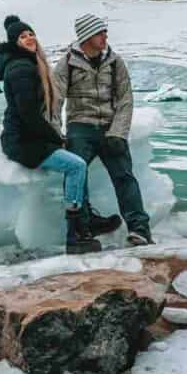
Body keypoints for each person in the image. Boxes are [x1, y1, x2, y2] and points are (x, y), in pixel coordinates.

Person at [0, 14, 102, 255]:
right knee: (76, 166)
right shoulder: (21, 68)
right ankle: (75, 234)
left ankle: (86, 221)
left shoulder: (28, 63)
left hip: (28, 137)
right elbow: (28, 115)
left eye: (31, 34)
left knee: (75, 159)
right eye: (23, 36)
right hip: (22, 142)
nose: (29, 38)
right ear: (14, 42)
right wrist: (55, 139)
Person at [54, 13, 153, 246]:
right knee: (75, 173)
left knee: (124, 176)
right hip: (80, 127)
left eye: (104, 32)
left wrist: (118, 133)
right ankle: (84, 226)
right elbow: (55, 101)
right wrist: (57, 133)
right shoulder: (67, 63)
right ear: (87, 36)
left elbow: (125, 100)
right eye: (100, 32)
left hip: (110, 127)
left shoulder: (115, 62)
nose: (105, 36)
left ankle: (140, 229)